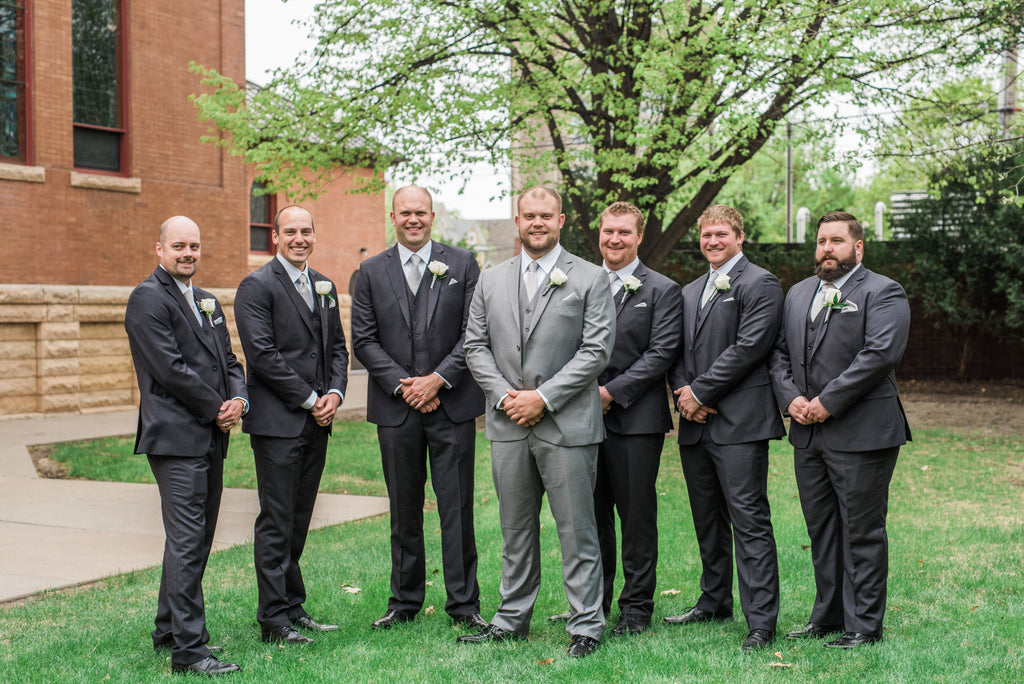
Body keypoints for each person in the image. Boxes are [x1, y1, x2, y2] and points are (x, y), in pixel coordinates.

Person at [459, 186, 615, 658]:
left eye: (546, 216)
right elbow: (474, 345)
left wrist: (543, 398)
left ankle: (586, 624)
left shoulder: (589, 278)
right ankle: (511, 620)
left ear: (561, 220)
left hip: (568, 425)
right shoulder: (491, 279)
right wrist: (508, 397)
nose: (537, 223)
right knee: (515, 529)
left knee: (577, 529)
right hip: (507, 423)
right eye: (529, 216)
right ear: (517, 220)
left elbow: (596, 351)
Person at [769, 211, 911, 649]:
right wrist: (789, 396)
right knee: (822, 530)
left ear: (858, 247)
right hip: (807, 433)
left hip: (863, 432)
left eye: (836, 241)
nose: (827, 249)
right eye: (821, 241)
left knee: (861, 531)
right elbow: (776, 353)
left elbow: (879, 354)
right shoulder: (797, 294)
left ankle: (864, 626)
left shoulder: (884, 292)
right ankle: (827, 617)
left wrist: (827, 402)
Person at [351, 185, 486, 631]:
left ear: (433, 216)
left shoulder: (463, 263)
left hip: (451, 406)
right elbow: (364, 341)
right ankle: (404, 602)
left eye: (421, 213)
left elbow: (474, 332)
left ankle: (464, 605)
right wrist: (403, 386)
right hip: (396, 410)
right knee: (403, 509)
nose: (413, 219)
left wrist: (437, 380)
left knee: (457, 509)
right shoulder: (370, 271)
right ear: (393, 216)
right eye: (405, 212)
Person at [550, 201, 682, 635]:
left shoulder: (661, 289)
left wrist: (609, 393)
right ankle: (593, 603)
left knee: (636, 516)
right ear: (598, 234)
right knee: (590, 516)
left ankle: (637, 608)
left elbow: (660, 354)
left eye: (624, 232)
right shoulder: (577, 282)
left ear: (639, 236)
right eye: (608, 231)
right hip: (579, 421)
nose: (614, 239)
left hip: (635, 421)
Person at [125, 216, 247, 676]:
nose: (188, 253)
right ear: (159, 250)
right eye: (179, 246)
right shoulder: (147, 299)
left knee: (194, 540)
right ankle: (190, 651)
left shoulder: (208, 301)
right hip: (176, 439)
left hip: (211, 436)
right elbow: (169, 369)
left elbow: (230, 360)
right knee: (188, 540)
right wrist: (217, 406)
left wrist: (238, 398)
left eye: (194, 246)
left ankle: (167, 629)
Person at [664, 204, 785, 652]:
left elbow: (750, 347)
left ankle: (761, 621)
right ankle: (714, 600)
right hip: (695, 423)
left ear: (740, 236)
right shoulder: (690, 289)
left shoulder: (761, 283)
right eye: (706, 235)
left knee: (748, 519)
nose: (712, 242)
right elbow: (674, 350)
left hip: (740, 422)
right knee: (707, 518)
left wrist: (702, 393)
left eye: (721, 234)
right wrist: (683, 394)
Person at [234, 204, 349, 645]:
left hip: (317, 422)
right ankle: (272, 620)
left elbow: (338, 348)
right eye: (290, 232)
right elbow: (262, 355)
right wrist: (309, 398)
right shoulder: (257, 286)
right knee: (276, 520)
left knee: (300, 518)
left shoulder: (324, 285)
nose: (299, 238)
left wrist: (335, 394)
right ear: (276, 237)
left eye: (306, 231)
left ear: (314, 236)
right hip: (279, 423)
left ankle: (293, 606)